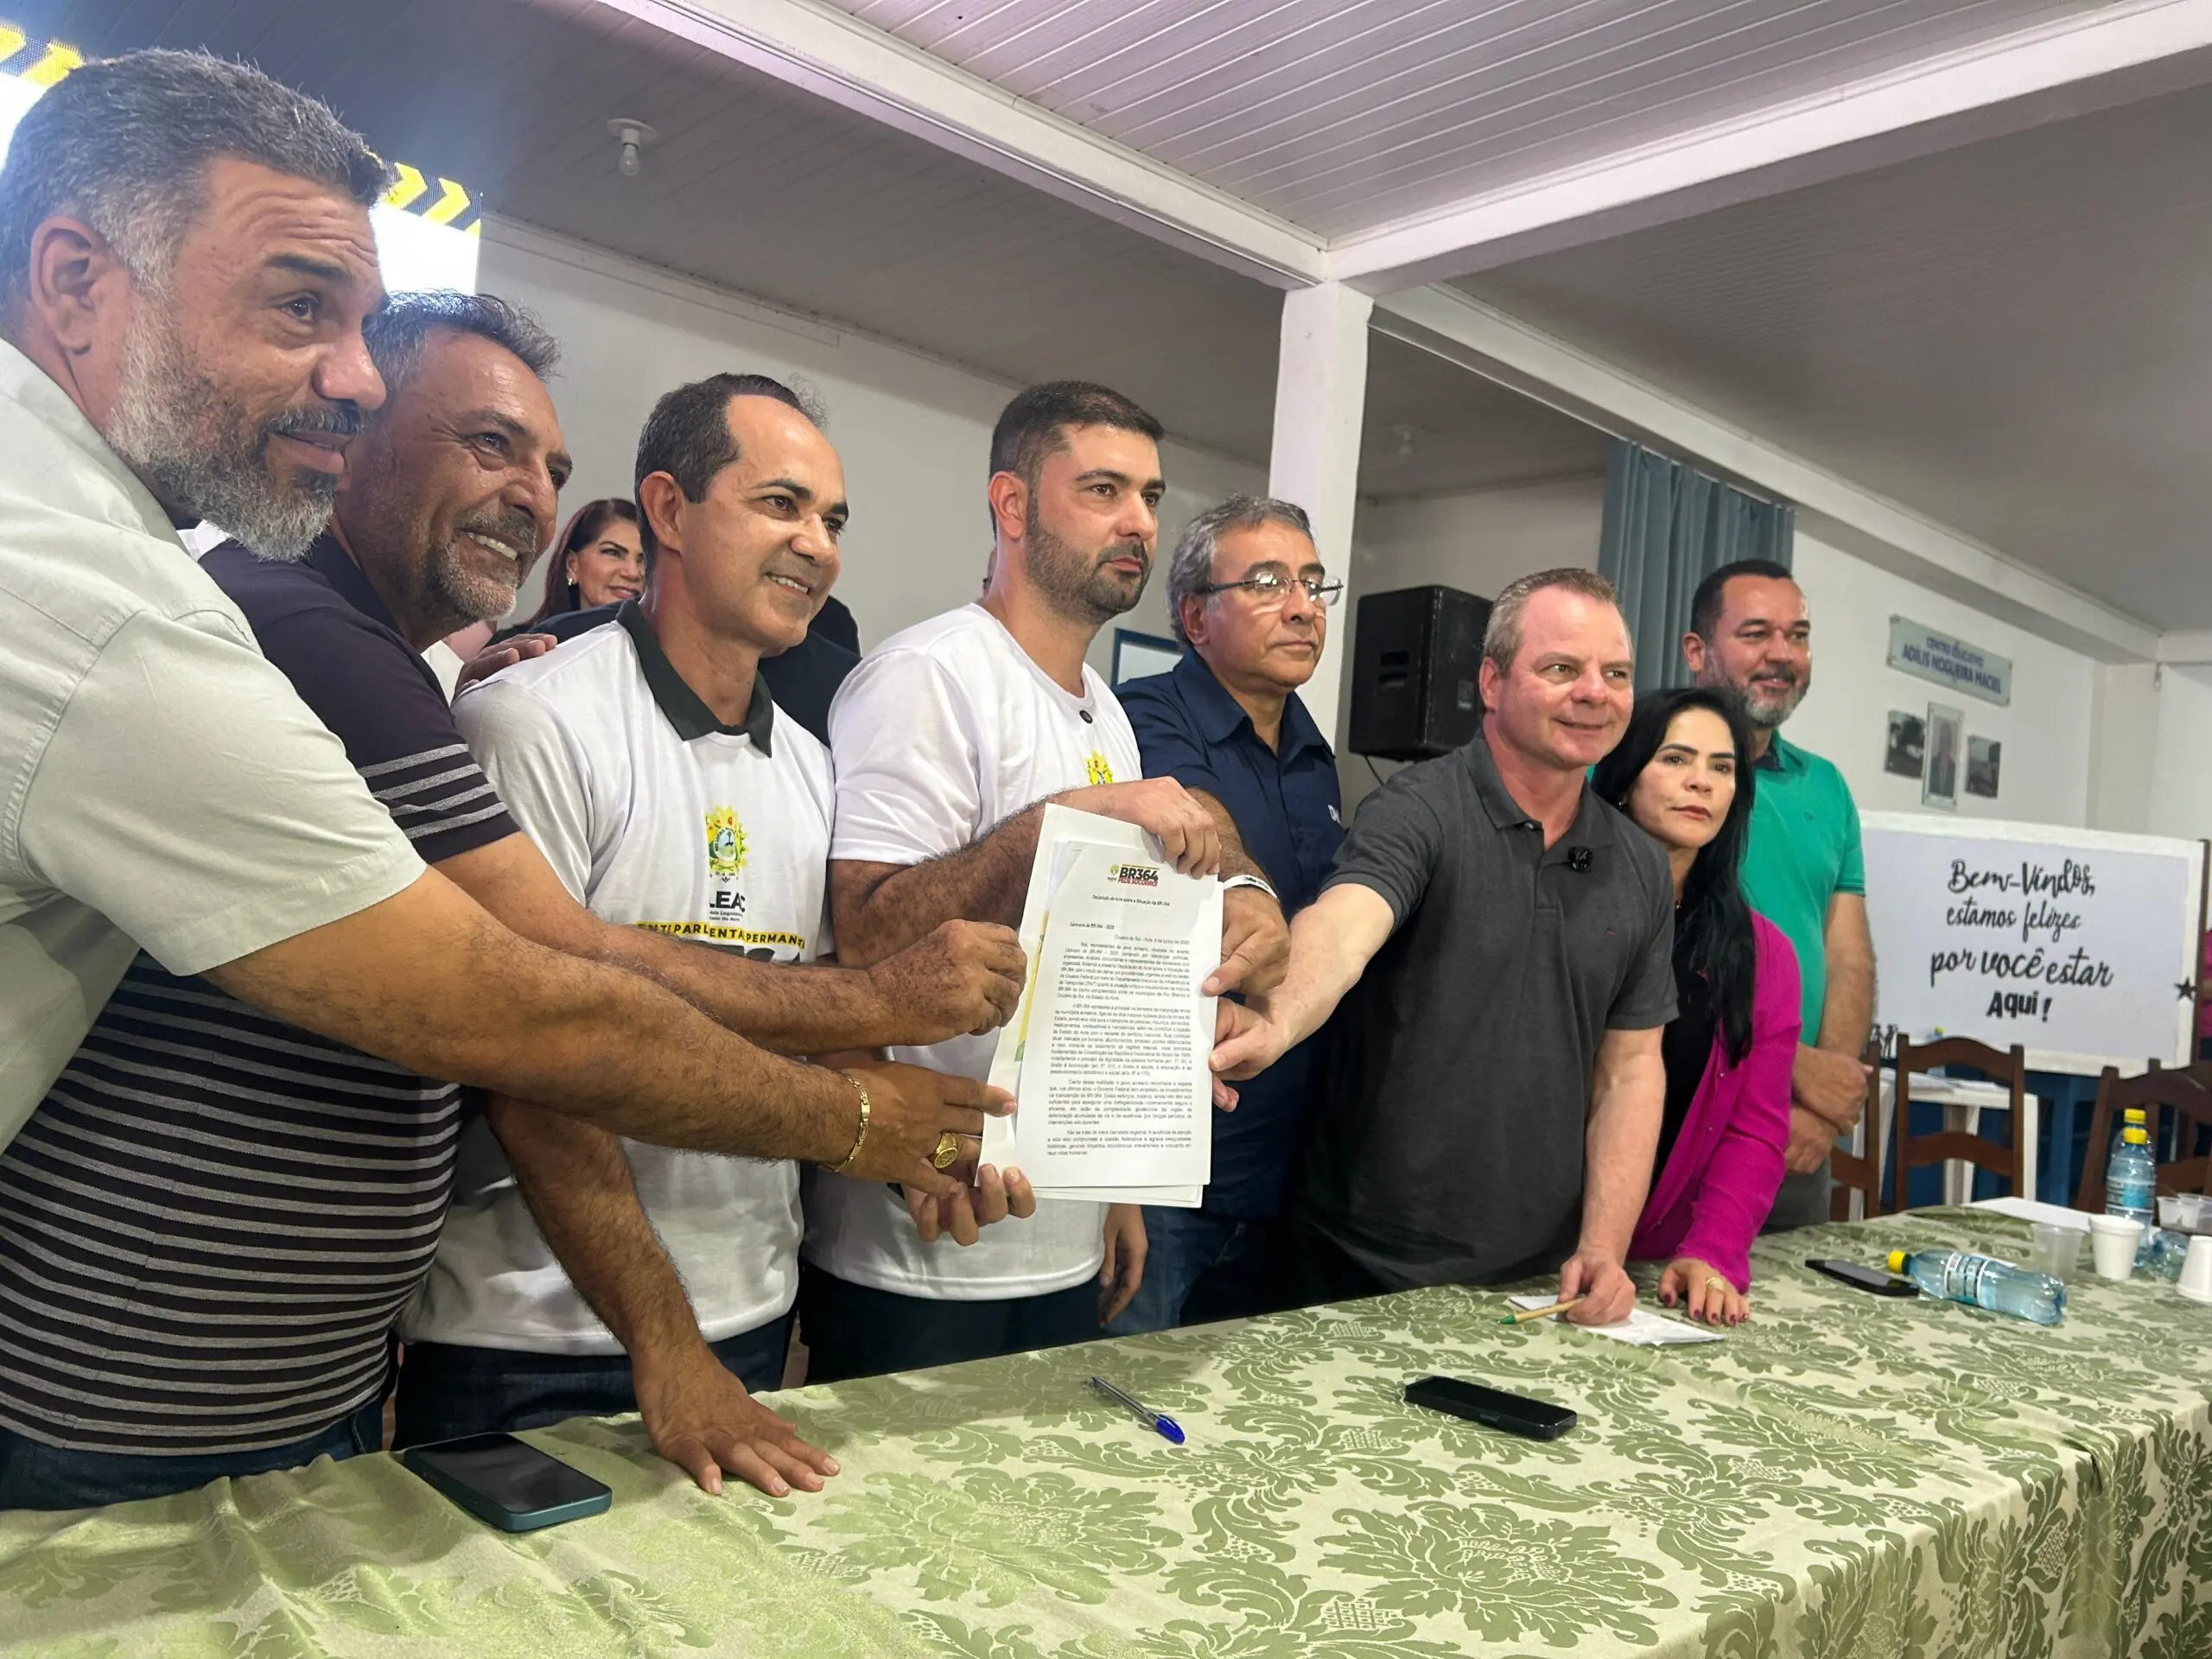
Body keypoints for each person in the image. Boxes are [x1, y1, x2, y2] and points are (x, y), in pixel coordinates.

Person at [0, 292, 1021, 1509]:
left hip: (313, 1366)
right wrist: (872, 1067)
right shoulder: (351, 646)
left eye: (552, 468)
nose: (533, 496)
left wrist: (919, 1138)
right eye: (490, 445)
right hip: (146, 1375)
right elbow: (547, 1010)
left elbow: (756, 1000)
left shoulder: (437, 679)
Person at [0, 55, 1001, 1192]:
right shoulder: (137, 605)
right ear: (74, 282)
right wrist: (865, 1096)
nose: (356, 382)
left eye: (553, 470)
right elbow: (526, 1003)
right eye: (299, 306)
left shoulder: (165, 567)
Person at [395, 372, 1017, 1495]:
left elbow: (807, 1015)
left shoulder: (815, 765)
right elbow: (531, 1073)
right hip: (530, 1340)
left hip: (752, 1321)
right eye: (781, 505)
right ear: (669, 511)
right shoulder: (531, 720)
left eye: (832, 521)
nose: (817, 546)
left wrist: (927, 1156)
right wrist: (666, 1344)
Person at [803, 380, 1293, 1381]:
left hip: (1061, 1229)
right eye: (1104, 490)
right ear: (1013, 505)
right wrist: (1059, 823)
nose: (1138, 522)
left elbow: (1092, 963)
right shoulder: (928, 676)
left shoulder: (1105, 711)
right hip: (923, 1242)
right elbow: (866, 933)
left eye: (1150, 497)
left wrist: (1120, 1189)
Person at [1213, 568, 1674, 1326]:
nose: (1595, 692)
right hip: (1361, 1265)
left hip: (1539, 1278)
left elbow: (1631, 1070)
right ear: (1492, 682)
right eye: (1562, 668)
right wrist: (1274, 1017)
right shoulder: (1418, 808)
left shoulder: (1640, 864)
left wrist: (1603, 1244)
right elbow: (1344, 925)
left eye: (1616, 674)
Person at [1108, 495, 1344, 1333]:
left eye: (1314, 584)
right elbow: (1195, 817)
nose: (1302, 607)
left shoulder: (1316, 756)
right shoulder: (1142, 716)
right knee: (1127, 1384)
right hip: (1168, 1163)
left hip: (1285, 1165)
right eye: (1269, 583)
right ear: (1194, 616)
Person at [1590, 687, 1799, 1325]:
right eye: (1676, 759)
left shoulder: (1763, 954)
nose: (1701, 782)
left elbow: (1755, 1131)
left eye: (1722, 767)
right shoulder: (1563, 905)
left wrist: (1712, 1251)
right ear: (1625, 776)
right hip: (1520, 1245)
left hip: (1652, 1272)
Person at [1682, 559, 1874, 1230]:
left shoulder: (1828, 788)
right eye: (1756, 633)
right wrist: (1793, 1067)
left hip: (1793, 1139)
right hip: (1675, 1116)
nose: (1782, 654)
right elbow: (1643, 950)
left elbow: (1848, 957)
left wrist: (1823, 1100)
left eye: (1797, 635)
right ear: (1697, 651)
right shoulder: (1642, 768)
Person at [506, 496, 645, 632]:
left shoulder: (654, 646)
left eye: (644, 560)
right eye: (613, 553)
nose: (632, 573)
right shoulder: (515, 644)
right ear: (572, 565)